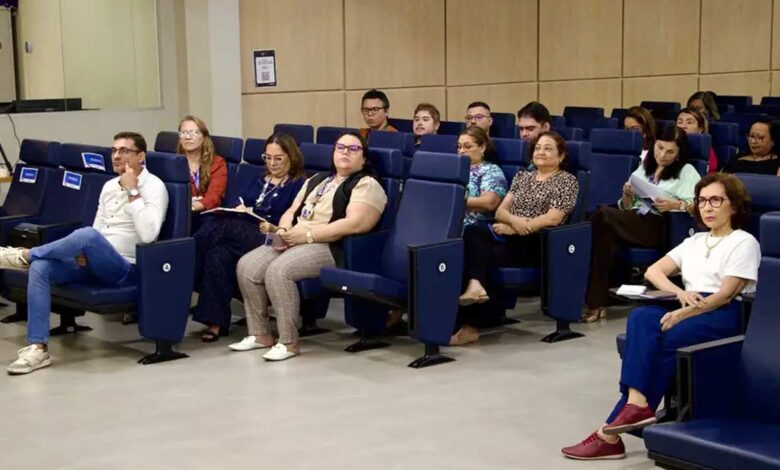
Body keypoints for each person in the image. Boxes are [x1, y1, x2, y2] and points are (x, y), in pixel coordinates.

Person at [562, 173, 759, 460]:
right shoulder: (695, 240)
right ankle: (636, 404)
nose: (707, 207)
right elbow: (654, 271)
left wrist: (684, 312)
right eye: (702, 201)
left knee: (669, 337)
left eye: (716, 200)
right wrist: (679, 293)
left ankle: (610, 433)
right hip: (689, 303)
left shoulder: (743, 241)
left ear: (734, 205)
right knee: (641, 317)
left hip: (723, 312)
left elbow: (726, 294)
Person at [4, 132, 168, 375]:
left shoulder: (155, 186)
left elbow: (148, 235)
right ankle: (38, 348)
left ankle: (25, 255)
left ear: (141, 156)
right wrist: (85, 252)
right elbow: (99, 228)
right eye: (114, 151)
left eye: (124, 151)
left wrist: (132, 191)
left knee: (87, 236)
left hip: (125, 267)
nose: (116, 156)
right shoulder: (109, 186)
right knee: (42, 267)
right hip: (94, 260)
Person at [235, 131, 387, 361]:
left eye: (353, 149)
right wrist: (284, 230)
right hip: (296, 238)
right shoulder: (318, 180)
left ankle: (288, 341)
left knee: (279, 271)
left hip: (331, 245)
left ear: (364, 158)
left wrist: (307, 235)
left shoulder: (366, 184)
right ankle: (260, 334)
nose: (345, 152)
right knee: (247, 266)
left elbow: (356, 224)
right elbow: (292, 211)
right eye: (340, 147)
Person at [453, 132, 578, 345]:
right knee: (472, 234)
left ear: (561, 155)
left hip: (540, 241)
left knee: (484, 255)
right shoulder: (523, 177)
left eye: (548, 148)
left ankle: (470, 324)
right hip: (512, 235)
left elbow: (553, 218)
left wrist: (519, 228)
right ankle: (473, 292)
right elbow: (501, 211)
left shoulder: (567, 181)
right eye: (538, 148)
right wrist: (514, 223)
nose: (541, 152)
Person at [192, 134, 306, 343]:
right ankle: (215, 323)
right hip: (244, 230)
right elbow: (241, 200)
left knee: (223, 226)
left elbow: (293, 219)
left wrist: (269, 225)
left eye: (278, 158)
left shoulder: (298, 184)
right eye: (268, 158)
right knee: (218, 254)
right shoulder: (260, 179)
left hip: (272, 238)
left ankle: (187, 259)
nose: (272, 163)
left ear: (291, 157)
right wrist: (240, 208)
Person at [583, 125, 701, 322]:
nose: (662, 155)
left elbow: (699, 205)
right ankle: (597, 303)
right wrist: (627, 194)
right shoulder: (646, 166)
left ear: (679, 153)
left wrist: (675, 204)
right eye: (659, 148)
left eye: (670, 151)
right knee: (604, 236)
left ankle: (578, 244)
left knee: (602, 215)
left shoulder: (687, 171)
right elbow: (625, 206)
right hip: (635, 218)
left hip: (660, 224)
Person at [457, 127, 507, 228]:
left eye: (467, 147)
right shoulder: (452, 168)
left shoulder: (491, 170)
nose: (461, 151)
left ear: (482, 147)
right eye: (459, 147)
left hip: (473, 227)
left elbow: (489, 203)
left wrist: (453, 200)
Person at [178, 116, 227, 215]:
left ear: (204, 138)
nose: (188, 137)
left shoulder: (217, 163)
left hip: (207, 215)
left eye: (194, 132)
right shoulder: (174, 163)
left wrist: (192, 206)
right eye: (184, 133)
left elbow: (214, 196)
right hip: (180, 215)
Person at [675, 107, 719, 172]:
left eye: (689, 122)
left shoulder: (705, 149)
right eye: (679, 122)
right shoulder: (669, 144)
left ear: (700, 128)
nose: (683, 126)